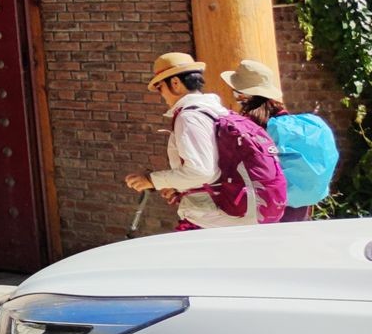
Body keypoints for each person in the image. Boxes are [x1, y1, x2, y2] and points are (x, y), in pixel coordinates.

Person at [124, 51, 283, 229]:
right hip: (247, 208)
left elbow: (201, 172)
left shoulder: (190, 117)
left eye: (160, 87)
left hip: (223, 215)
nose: (161, 94)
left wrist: (152, 180)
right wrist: (177, 186)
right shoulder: (214, 110)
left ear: (175, 83)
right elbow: (218, 167)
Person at [225, 58, 339, 222]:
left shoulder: (258, 130)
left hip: (272, 205)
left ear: (243, 96)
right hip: (303, 204)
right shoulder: (310, 124)